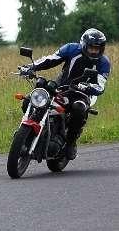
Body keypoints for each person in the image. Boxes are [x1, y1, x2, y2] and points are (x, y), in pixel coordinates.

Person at [18, 28, 111, 159]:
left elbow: (100, 85)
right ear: (84, 44)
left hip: (83, 93)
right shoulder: (71, 49)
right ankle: (29, 131)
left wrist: (88, 86)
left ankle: (70, 143)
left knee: (79, 108)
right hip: (61, 86)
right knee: (31, 98)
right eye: (91, 48)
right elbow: (51, 59)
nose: (94, 51)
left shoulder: (104, 62)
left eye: (97, 48)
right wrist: (31, 67)